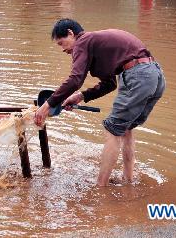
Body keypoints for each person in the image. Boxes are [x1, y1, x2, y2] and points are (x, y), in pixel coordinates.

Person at [33, 19, 165, 187]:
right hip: (154, 76)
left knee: (112, 130)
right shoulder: (96, 47)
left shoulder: (83, 41)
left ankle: (100, 186)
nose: (63, 49)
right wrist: (81, 96)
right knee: (125, 128)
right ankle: (128, 179)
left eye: (61, 43)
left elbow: (75, 79)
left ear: (71, 33)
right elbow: (110, 84)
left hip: (138, 75)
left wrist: (48, 105)